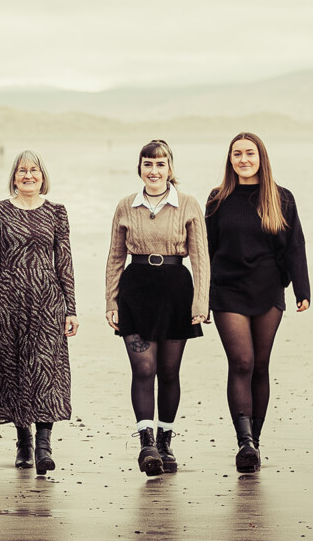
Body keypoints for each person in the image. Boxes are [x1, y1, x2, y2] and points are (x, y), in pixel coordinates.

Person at [205, 132, 310, 473]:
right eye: (237, 154)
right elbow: (205, 251)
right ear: (230, 159)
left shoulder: (281, 198)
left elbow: (295, 245)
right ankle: (244, 440)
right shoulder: (218, 198)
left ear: (261, 157)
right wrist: (200, 297)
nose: (244, 159)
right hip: (227, 289)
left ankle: (256, 441)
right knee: (242, 363)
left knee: (261, 365)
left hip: (267, 290)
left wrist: (302, 289)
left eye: (250, 153)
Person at [104, 140, 209, 476]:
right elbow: (115, 256)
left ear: (170, 168)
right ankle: (146, 442)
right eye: (148, 164)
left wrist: (201, 301)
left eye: (160, 164)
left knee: (169, 372)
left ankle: (165, 440)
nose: (154, 170)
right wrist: (111, 300)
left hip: (176, 291)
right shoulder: (125, 205)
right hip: (135, 291)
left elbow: (200, 258)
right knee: (144, 368)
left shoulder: (188, 205)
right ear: (140, 168)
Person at [0, 150, 78, 475]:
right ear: (14, 177)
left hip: (48, 299)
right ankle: (24, 441)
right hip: (9, 298)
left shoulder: (57, 212)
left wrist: (71, 308)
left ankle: (45, 443)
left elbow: (64, 261)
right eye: (22, 170)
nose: (28, 175)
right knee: (16, 368)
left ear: (43, 176)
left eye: (34, 170)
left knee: (47, 368)